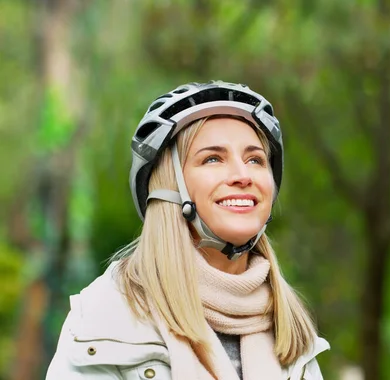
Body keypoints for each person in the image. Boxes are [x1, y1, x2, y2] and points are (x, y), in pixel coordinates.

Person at [46, 81, 329, 379]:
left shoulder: (293, 330)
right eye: (213, 159)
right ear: (169, 187)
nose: (243, 175)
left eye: (255, 159)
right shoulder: (105, 319)